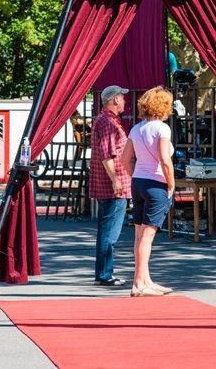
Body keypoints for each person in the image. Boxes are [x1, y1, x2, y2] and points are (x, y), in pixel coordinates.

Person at [121, 86, 176, 297]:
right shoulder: (162, 129)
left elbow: (125, 159)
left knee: (139, 235)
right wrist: (171, 184)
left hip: (138, 182)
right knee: (147, 236)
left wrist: (136, 174)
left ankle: (145, 280)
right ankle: (138, 284)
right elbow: (165, 159)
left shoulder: (136, 129)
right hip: (156, 183)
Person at [89, 85, 131, 286]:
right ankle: (105, 274)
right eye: (122, 98)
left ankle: (103, 273)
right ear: (114, 100)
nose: (124, 101)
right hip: (113, 187)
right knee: (109, 232)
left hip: (109, 185)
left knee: (107, 230)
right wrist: (116, 180)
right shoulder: (107, 122)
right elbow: (108, 155)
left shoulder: (105, 120)